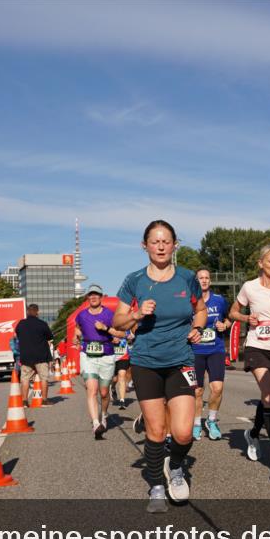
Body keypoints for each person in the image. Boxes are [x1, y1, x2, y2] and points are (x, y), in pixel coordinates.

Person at [113, 220, 207, 513]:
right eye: (155, 241)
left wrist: (199, 328)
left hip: (180, 360)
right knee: (155, 431)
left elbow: (200, 310)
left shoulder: (187, 278)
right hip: (146, 362)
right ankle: (155, 485)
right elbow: (117, 321)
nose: (161, 246)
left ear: (175, 244)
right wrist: (137, 314)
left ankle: (175, 466)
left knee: (182, 433)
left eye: (167, 241)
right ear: (145, 246)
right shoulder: (135, 281)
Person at [229, 246, 270, 468]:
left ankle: (253, 433)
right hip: (257, 347)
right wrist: (246, 319)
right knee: (268, 394)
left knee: (269, 397)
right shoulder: (250, 287)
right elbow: (233, 312)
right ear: (260, 263)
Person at [74, 284, 128, 439]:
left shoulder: (109, 314)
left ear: (101, 297)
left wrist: (106, 328)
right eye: (90, 295)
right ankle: (96, 423)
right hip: (88, 356)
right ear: (87, 297)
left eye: (96, 295)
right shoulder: (82, 314)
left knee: (104, 393)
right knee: (91, 390)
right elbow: (78, 328)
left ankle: (103, 415)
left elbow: (122, 333)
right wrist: (76, 335)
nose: (93, 297)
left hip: (107, 356)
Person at [191, 269, 231, 441]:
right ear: (196, 281)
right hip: (195, 350)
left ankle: (212, 421)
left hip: (216, 349)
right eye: (201, 278)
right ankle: (197, 423)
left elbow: (230, 318)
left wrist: (225, 325)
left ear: (210, 281)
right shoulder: (190, 301)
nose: (204, 280)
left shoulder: (220, 300)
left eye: (207, 278)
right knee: (198, 391)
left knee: (217, 388)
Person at [15, 304, 54, 405]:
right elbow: (50, 336)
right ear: (37, 312)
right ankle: (44, 400)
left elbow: (17, 334)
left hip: (26, 356)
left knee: (25, 379)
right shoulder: (42, 324)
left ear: (27, 312)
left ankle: (24, 401)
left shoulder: (21, 324)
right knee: (44, 378)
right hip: (41, 355)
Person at [112, 331, 134, 408]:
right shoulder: (110, 328)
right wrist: (112, 340)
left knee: (122, 376)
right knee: (114, 379)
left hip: (123, 357)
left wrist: (130, 339)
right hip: (112, 357)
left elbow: (131, 341)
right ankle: (113, 388)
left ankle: (122, 400)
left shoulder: (127, 330)